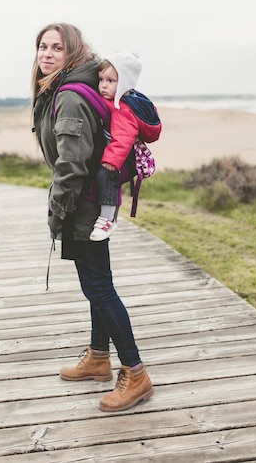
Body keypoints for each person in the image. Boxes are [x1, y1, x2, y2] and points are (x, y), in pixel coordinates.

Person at [31, 23, 154, 412]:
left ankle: (135, 374)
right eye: (42, 47)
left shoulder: (68, 97)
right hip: (91, 201)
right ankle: (99, 357)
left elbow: (71, 163)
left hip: (83, 204)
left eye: (57, 48)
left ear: (72, 53)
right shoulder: (75, 87)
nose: (47, 54)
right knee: (95, 285)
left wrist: (57, 213)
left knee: (100, 288)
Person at [90, 52, 162, 241]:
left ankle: (107, 220)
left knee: (104, 175)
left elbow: (124, 138)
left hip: (120, 157)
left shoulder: (123, 109)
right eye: (101, 79)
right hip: (117, 152)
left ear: (124, 83)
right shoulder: (115, 100)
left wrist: (111, 162)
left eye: (111, 81)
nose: (103, 85)